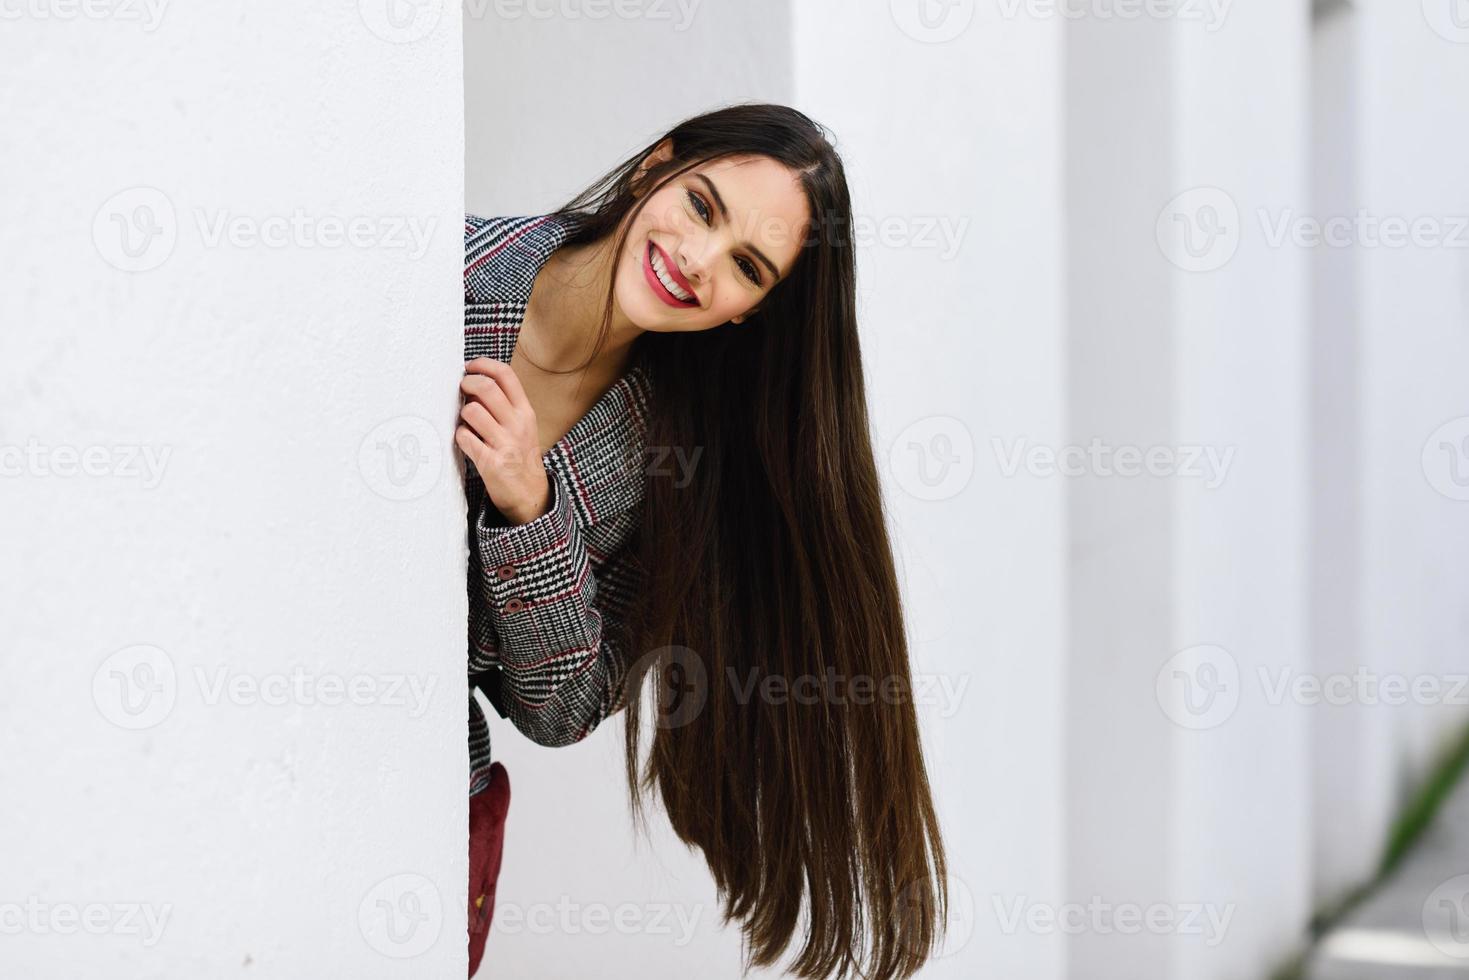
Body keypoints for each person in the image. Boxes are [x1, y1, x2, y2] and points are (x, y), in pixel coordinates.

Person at [458, 102, 947, 979]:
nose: (697, 260)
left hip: (433, 816)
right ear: (656, 165)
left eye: (746, 268)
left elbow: (561, 708)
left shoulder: (674, 475)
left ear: (747, 314)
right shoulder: (439, 264)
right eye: (704, 207)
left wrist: (532, 515)